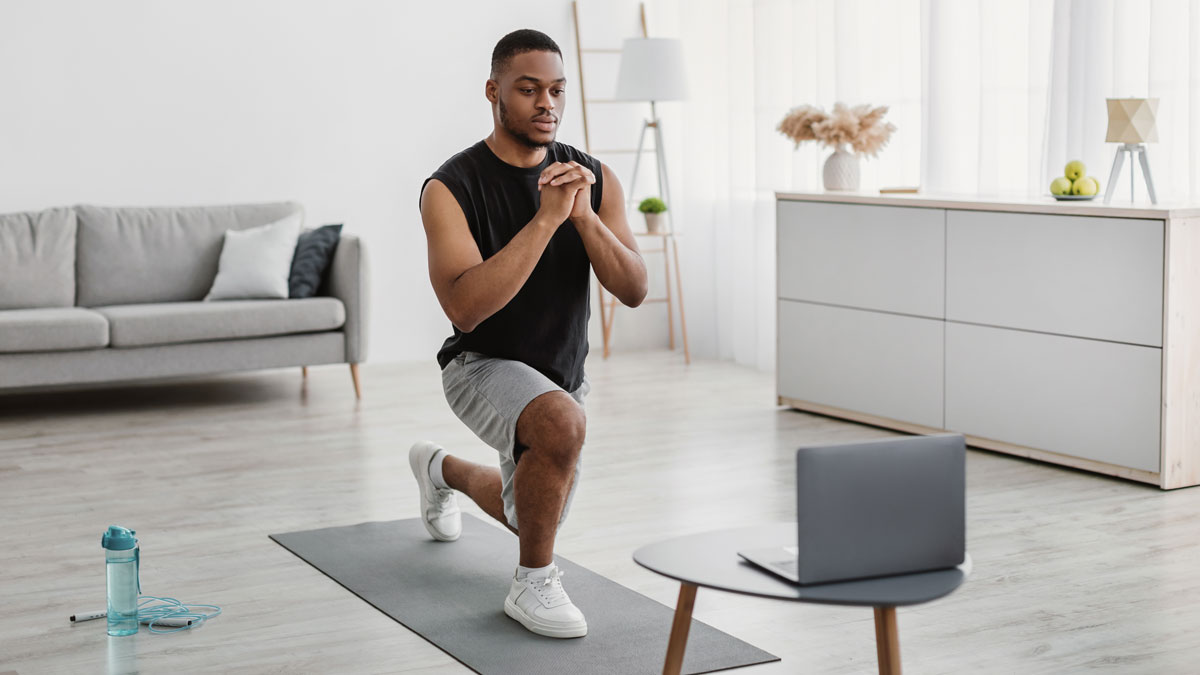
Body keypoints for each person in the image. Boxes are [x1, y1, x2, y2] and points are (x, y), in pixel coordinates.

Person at [410, 28, 648, 639]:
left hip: (561, 374)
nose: (547, 103)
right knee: (561, 426)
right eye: (529, 89)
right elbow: (466, 310)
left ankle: (442, 472)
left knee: (531, 513)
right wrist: (546, 220)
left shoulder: (591, 176)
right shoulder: (450, 188)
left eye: (557, 90)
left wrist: (585, 218)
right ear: (494, 92)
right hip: (481, 366)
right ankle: (533, 585)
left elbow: (635, 288)